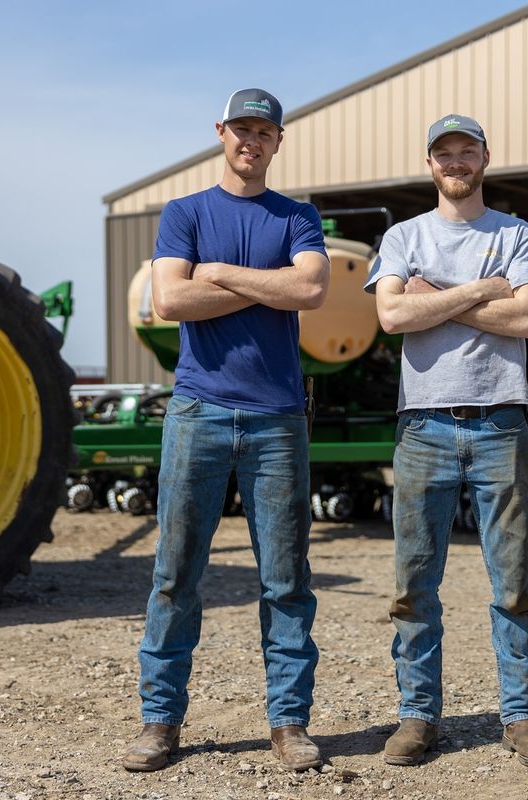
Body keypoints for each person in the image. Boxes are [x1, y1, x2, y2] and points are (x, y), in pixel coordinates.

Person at [122, 88, 330, 774]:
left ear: (278, 140)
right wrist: (263, 283)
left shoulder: (298, 215)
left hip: (276, 419)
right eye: (241, 128)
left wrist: (221, 274)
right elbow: (169, 299)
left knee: (286, 579)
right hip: (198, 411)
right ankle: (160, 721)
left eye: (263, 131)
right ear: (221, 132)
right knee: (177, 573)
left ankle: (289, 724)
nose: (252, 140)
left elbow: (311, 292)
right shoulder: (185, 212)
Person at [364, 114, 528, 769]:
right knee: (415, 581)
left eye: (466, 150)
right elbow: (392, 315)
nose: (456, 161)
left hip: (501, 419)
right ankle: (418, 715)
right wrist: (481, 290)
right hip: (424, 423)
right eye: (444, 152)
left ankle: (522, 715)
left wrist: (438, 297)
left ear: (484, 157)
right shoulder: (402, 236)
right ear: (430, 164)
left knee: (513, 582)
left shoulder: (517, 233)